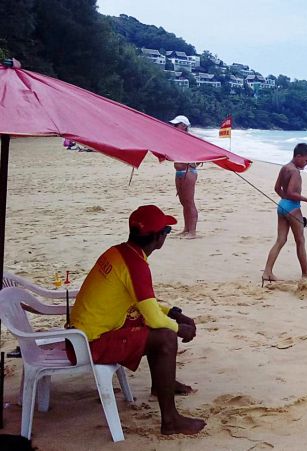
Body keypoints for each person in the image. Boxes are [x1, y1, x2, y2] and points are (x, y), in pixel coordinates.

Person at [68, 205, 205, 435]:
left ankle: (162, 385)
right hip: (88, 343)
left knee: (153, 324)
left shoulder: (120, 252)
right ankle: (170, 420)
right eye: (167, 231)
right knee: (165, 337)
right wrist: (181, 329)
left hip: (82, 333)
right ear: (158, 238)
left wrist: (173, 312)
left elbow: (143, 303)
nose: (166, 235)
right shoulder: (136, 264)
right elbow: (152, 315)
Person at [263, 143, 307, 283]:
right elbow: (291, 192)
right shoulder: (294, 171)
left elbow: (277, 188)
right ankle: (306, 273)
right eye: (306, 160)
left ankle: (267, 272)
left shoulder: (285, 167)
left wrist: (285, 201)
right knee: (300, 241)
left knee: (280, 240)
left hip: (282, 206)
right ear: (298, 156)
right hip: (293, 208)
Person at [170, 115, 199, 238]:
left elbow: (200, 154)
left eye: (177, 125)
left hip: (188, 172)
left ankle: (192, 231)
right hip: (179, 172)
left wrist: (192, 162)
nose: (174, 127)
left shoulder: (190, 139)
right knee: (183, 202)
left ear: (184, 126)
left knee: (189, 202)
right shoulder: (176, 139)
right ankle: (186, 229)